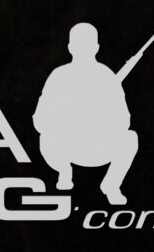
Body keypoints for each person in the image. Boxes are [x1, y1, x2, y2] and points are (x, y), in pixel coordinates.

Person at [36, 22, 141, 206]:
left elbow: (124, 120)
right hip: (65, 147)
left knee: (130, 138)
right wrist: (67, 120)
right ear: (70, 48)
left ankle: (111, 185)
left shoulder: (106, 76)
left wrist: (100, 118)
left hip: (98, 147)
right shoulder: (59, 76)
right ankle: (64, 171)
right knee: (46, 138)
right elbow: (40, 119)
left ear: (96, 48)